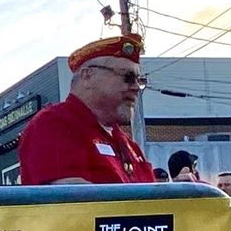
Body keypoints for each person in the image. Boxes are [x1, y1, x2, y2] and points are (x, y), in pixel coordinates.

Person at [17, 34, 155, 185]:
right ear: (87, 76)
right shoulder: (53, 125)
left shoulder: (127, 143)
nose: (136, 88)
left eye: (139, 80)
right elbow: (73, 199)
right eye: (127, 77)